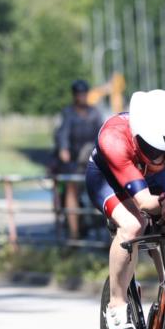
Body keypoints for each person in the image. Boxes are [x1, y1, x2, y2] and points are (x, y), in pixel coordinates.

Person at [86, 90, 165, 329]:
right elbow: (145, 203)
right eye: (154, 151)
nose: (163, 160)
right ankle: (117, 306)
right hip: (108, 179)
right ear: (138, 137)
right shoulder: (114, 138)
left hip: (149, 179)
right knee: (133, 224)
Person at [54, 80, 104, 240]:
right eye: (79, 94)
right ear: (75, 95)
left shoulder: (94, 113)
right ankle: (74, 233)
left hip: (92, 159)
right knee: (71, 189)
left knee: (104, 187)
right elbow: (63, 133)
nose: (81, 97)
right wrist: (63, 148)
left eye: (84, 94)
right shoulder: (68, 113)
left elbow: (102, 133)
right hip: (73, 161)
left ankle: (106, 235)